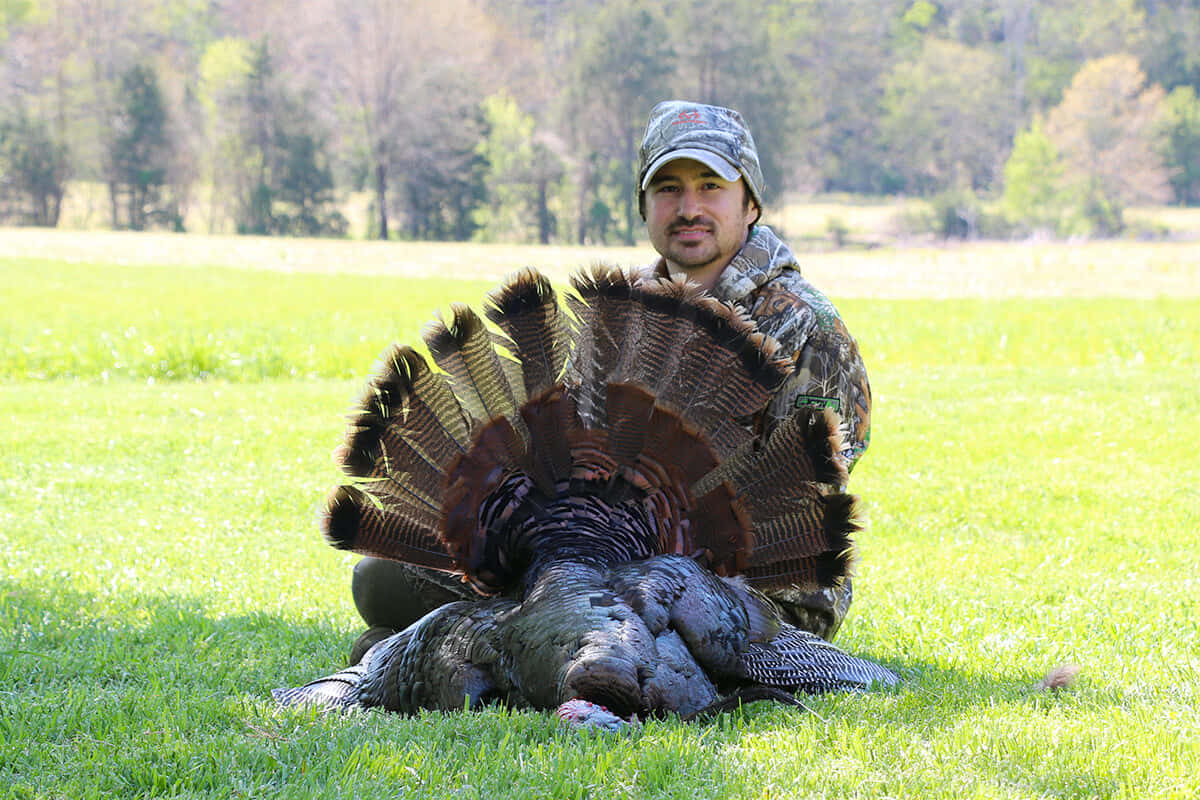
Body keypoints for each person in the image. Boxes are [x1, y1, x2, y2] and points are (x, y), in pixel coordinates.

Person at [347, 100, 870, 662]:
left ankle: (513, 642)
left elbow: (804, 503)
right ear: (643, 206)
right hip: (600, 552)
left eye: (711, 186)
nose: (688, 207)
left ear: (750, 203)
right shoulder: (624, 312)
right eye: (667, 188)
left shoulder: (806, 324)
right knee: (381, 579)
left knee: (637, 619)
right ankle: (534, 632)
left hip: (749, 584)